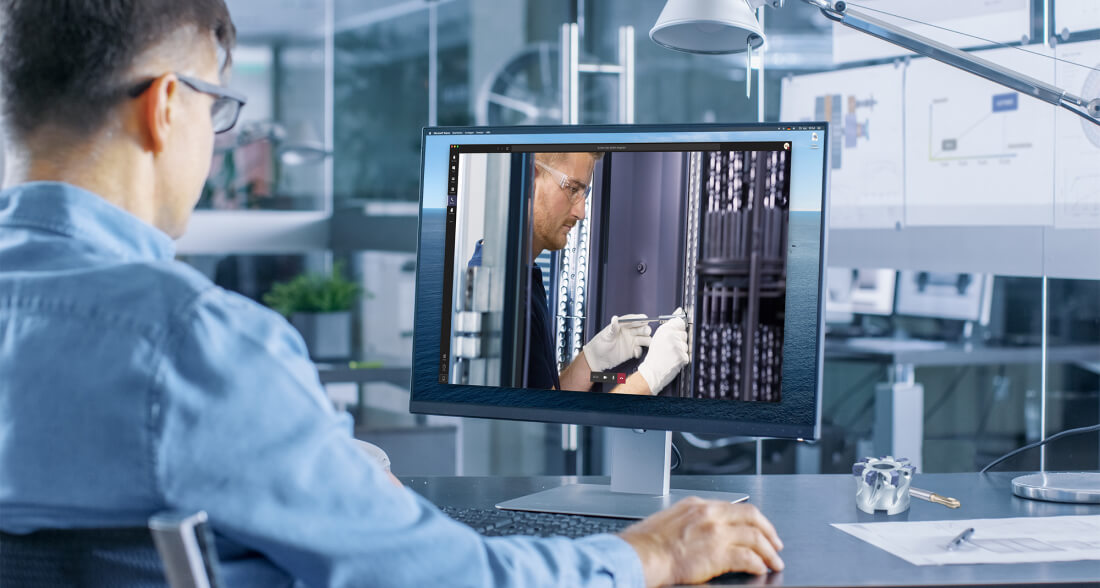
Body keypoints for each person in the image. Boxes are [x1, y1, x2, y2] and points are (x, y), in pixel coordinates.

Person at [0, 2, 785, 586]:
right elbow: (445, 578)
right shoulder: (196, 345)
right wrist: (652, 551)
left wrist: (329, 467)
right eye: (220, 111)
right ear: (168, 106)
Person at [520, 152, 690, 396]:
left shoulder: (526, 278)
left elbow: (545, 398)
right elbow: (552, 430)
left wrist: (590, 361)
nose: (581, 212)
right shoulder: (504, 302)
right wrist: (649, 378)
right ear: (530, 178)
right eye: (572, 189)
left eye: (584, 194)